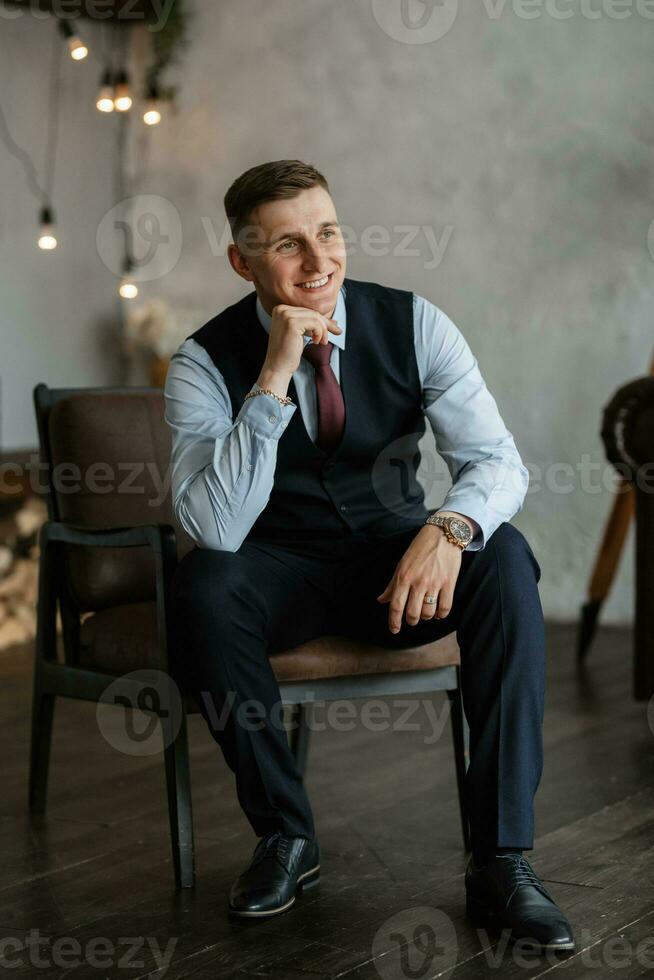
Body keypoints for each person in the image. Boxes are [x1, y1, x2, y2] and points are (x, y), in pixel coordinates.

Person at [164, 159, 574, 951]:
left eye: (328, 233)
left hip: (398, 569)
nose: (319, 262)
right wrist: (274, 376)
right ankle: (287, 838)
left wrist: (449, 531)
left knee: (505, 555)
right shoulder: (202, 363)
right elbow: (215, 527)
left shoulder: (415, 324)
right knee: (207, 582)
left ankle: (503, 860)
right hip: (278, 574)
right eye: (288, 245)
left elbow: (497, 463)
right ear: (242, 262)